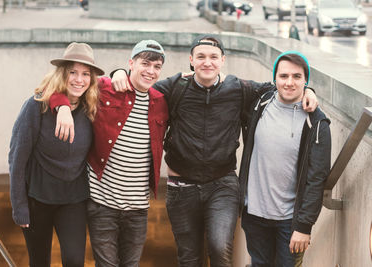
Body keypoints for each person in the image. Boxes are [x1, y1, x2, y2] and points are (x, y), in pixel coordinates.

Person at [109, 35, 318, 267]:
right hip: (181, 189)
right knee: (189, 258)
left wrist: (309, 90)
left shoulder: (238, 88)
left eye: (213, 57)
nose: (207, 62)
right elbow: (140, 84)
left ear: (222, 60)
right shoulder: (175, 87)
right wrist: (118, 72)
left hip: (222, 186)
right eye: (201, 57)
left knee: (220, 249)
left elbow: (279, 87)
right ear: (191, 60)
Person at [49, 40, 168, 267]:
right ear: (131, 63)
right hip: (102, 203)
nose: (151, 71)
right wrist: (62, 107)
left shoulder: (161, 101)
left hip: (138, 208)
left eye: (157, 66)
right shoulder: (106, 87)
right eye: (145, 64)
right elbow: (57, 86)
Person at [8, 42, 104, 267]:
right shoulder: (36, 106)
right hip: (36, 198)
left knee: (73, 260)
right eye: (73, 72)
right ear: (62, 74)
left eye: (85, 74)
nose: (79, 79)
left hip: (73, 199)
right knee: (39, 261)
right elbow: (17, 158)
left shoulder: (91, 107)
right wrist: (18, 205)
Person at [238, 51, 331, 267]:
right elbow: (227, 83)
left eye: (297, 77)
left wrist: (304, 226)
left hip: (290, 223)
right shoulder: (260, 103)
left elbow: (316, 179)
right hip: (254, 215)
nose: (289, 82)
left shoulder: (317, 122)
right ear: (275, 79)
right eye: (284, 76)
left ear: (306, 80)